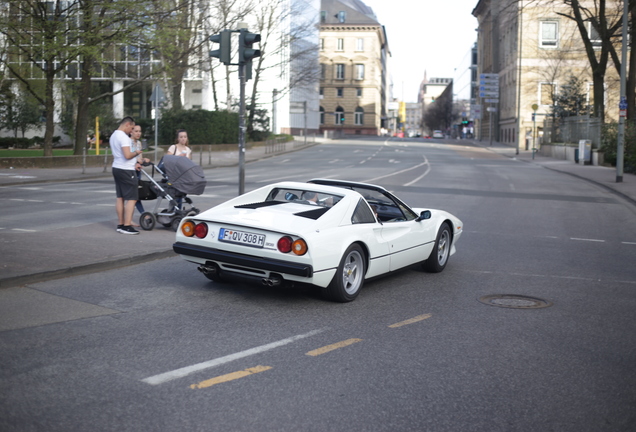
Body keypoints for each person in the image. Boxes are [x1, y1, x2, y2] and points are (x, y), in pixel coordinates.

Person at [110, 116, 142, 235]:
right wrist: (137, 153)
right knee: (132, 198)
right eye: (132, 128)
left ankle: (120, 224)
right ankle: (127, 226)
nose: (131, 131)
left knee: (120, 197)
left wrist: (135, 163)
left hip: (116, 168)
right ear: (127, 124)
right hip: (126, 170)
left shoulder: (114, 135)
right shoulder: (123, 137)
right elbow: (127, 155)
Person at [130, 125, 150, 222]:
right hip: (130, 171)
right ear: (131, 132)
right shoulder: (128, 143)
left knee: (136, 195)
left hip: (137, 171)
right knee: (134, 196)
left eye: (140, 131)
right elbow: (128, 157)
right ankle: (143, 214)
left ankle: (129, 219)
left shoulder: (138, 143)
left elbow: (139, 158)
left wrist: (143, 160)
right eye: (136, 131)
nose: (138, 133)